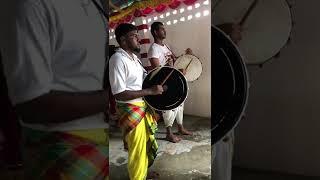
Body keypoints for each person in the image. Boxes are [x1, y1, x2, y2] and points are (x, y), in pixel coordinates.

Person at [0, 0, 109, 179]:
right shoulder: (28, 5)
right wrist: (107, 99)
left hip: (101, 140)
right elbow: (32, 105)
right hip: (64, 146)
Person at [109, 23, 163, 180]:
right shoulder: (118, 59)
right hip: (131, 109)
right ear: (123, 40)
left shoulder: (134, 58)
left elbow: (143, 81)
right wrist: (150, 91)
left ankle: (144, 171)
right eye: (134, 36)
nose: (139, 38)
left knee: (147, 143)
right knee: (137, 149)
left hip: (143, 107)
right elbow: (119, 93)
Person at [147, 21, 193, 143]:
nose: (164, 31)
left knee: (180, 103)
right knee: (169, 107)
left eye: (164, 29)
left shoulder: (166, 46)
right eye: (162, 29)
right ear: (155, 32)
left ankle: (180, 128)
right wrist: (172, 67)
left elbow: (175, 60)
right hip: (164, 83)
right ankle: (169, 133)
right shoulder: (153, 49)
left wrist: (186, 55)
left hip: (173, 80)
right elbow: (157, 70)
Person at [213, 22, 243, 180]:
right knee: (218, 163)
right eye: (238, 31)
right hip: (220, 120)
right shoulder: (221, 57)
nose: (241, 35)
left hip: (228, 120)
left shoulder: (233, 56)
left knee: (224, 165)